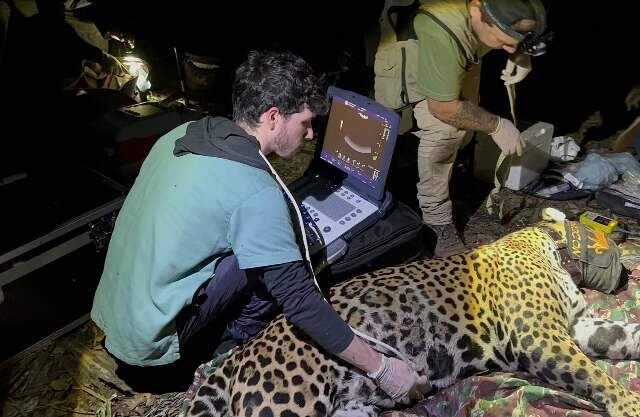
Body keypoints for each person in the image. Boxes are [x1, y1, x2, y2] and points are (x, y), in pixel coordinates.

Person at [91, 50, 428, 400]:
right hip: (155, 357)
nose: (311, 135)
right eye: (306, 122)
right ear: (272, 116)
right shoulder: (255, 192)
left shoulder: (184, 133)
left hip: (118, 320)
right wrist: (383, 370)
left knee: (262, 240)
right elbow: (300, 301)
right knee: (279, 257)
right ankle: (230, 347)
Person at [374, 0, 547, 256]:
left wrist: (521, 53)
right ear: (478, 9)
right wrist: (496, 126)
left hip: (462, 52)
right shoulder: (441, 27)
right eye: (505, 40)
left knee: (466, 117)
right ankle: (436, 221)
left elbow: (524, 27)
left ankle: (447, 174)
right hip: (415, 52)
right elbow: (443, 107)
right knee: (446, 128)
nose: (508, 47)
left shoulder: (513, 7)